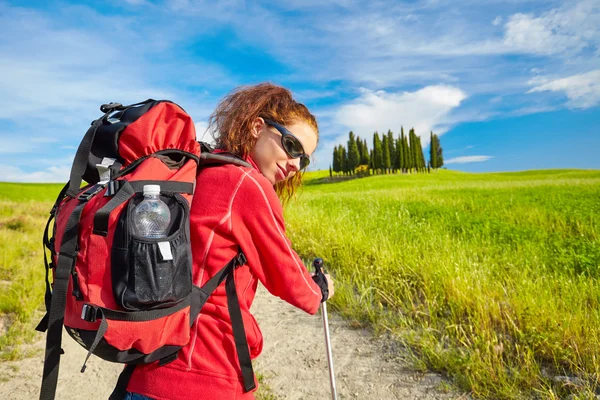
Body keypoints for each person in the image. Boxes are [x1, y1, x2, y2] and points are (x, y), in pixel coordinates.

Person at [124, 82, 335, 400]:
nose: (295, 165)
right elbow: (287, 275)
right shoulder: (246, 184)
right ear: (257, 127)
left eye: (304, 160)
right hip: (206, 374)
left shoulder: (202, 170)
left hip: (148, 369)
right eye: (292, 147)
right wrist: (319, 289)